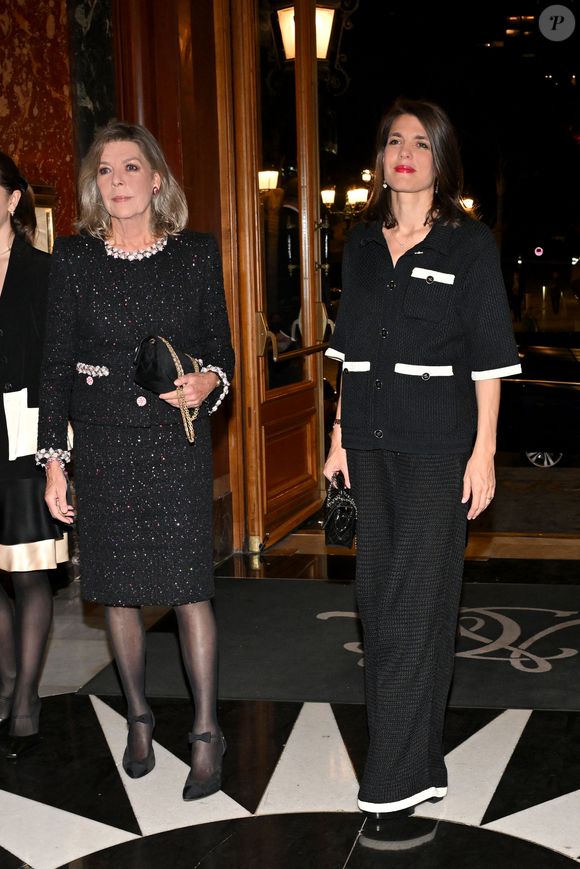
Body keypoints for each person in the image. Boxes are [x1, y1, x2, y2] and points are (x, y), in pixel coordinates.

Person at [323, 97, 521, 820]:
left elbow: (491, 359)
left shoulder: (469, 245)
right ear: (381, 158)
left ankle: (392, 780)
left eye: (419, 143)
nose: (404, 152)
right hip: (369, 445)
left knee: (409, 603)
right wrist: (338, 435)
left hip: (440, 449)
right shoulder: (361, 243)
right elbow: (346, 347)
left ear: (440, 160)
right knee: (387, 602)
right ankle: (423, 761)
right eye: (393, 141)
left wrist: (485, 451)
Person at [37, 121, 234, 800]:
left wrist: (209, 381)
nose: (116, 182)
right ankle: (141, 717)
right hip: (103, 443)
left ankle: (207, 731)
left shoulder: (195, 255)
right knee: (116, 588)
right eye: (104, 171)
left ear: (157, 179)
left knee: (188, 590)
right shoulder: (74, 259)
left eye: (130, 168)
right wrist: (55, 461)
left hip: (174, 444)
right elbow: (56, 365)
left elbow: (222, 353)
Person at [0, 153, 69, 758]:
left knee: (27, 569)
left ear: (13, 200)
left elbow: (58, 367)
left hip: (25, 426)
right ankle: (5, 683)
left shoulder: (46, 272)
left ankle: (25, 697)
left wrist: (59, 450)